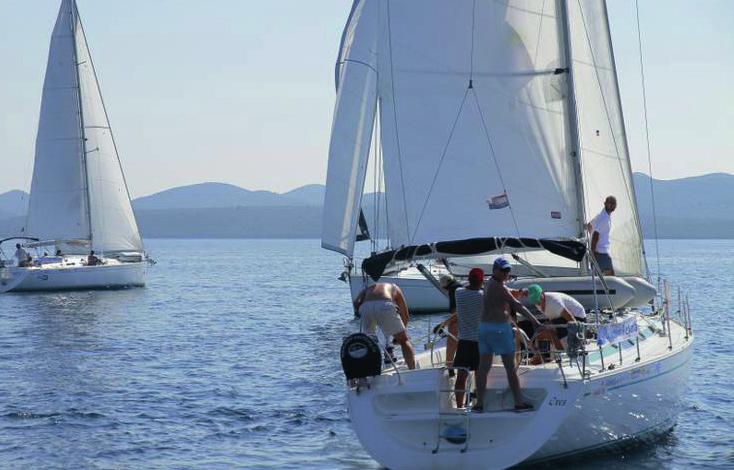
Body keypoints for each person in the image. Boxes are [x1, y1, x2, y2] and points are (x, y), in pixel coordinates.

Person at [473, 258, 543, 412]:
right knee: (510, 368)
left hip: (484, 329)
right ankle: (519, 402)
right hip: (499, 330)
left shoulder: (488, 283)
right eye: (503, 270)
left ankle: (479, 404)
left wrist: (518, 292)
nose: (506, 273)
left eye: (508, 270)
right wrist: (535, 320)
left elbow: (504, 293)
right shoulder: (499, 286)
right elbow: (516, 305)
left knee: (483, 368)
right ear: (495, 270)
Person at [354, 283, 416, 370]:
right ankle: (412, 370)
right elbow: (405, 315)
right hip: (384, 305)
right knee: (404, 341)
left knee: (369, 343)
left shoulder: (368, 289)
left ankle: (370, 373)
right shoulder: (395, 287)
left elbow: (356, 303)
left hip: (365, 307)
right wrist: (399, 337)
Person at [452, 268, 484, 408]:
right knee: (479, 375)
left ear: (469, 279)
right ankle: (479, 404)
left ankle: (459, 406)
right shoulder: (483, 295)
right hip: (479, 341)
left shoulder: (458, 293)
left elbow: (464, 286)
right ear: (481, 281)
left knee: (461, 376)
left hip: (464, 341)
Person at [526, 284, 587, 354]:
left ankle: (561, 353)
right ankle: (553, 354)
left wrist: (578, 336)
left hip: (577, 316)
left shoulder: (553, 302)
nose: (538, 303)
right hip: (562, 317)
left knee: (549, 329)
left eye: (539, 299)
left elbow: (570, 317)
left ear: (542, 293)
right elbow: (552, 316)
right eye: (535, 301)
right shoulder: (537, 303)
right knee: (542, 332)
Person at [434, 274, 464, 371]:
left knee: (452, 331)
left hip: (461, 318)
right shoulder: (460, 286)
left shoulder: (453, 289)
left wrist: (442, 325)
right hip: (472, 320)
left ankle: (449, 365)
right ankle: (453, 363)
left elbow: (455, 312)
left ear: (445, 286)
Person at [587, 196, 616, 276]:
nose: (612, 205)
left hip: (598, 253)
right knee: (611, 276)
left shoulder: (600, 216)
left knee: (600, 277)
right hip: (600, 253)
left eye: (613, 203)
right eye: (610, 203)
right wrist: (593, 253)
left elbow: (589, 226)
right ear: (605, 203)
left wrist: (591, 236)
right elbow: (596, 234)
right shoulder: (604, 218)